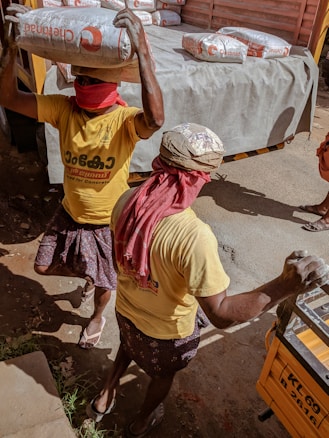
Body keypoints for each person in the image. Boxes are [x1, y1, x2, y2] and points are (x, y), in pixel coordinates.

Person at [86, 123, 329, 437]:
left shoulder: (127, 200)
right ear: (196, 178)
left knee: (128, 345)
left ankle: (106, 394)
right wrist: (285, 284)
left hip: (127, 312)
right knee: (162, 376)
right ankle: (141, 423)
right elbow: (222, 314)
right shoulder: (193, 236)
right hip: (166, 333)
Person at [0, 4, 164, 348]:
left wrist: (144, 50)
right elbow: (9, 98)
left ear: (111, 82)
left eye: (91, 80)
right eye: (79, 79)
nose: (82, 85)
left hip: (108, 222)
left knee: (106, 286)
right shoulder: (64, 109)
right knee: (43, 268)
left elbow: (155, 120)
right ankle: (91, 275)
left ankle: (96, 316)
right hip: (70, 212)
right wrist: (11, 50)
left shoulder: (124, 120)